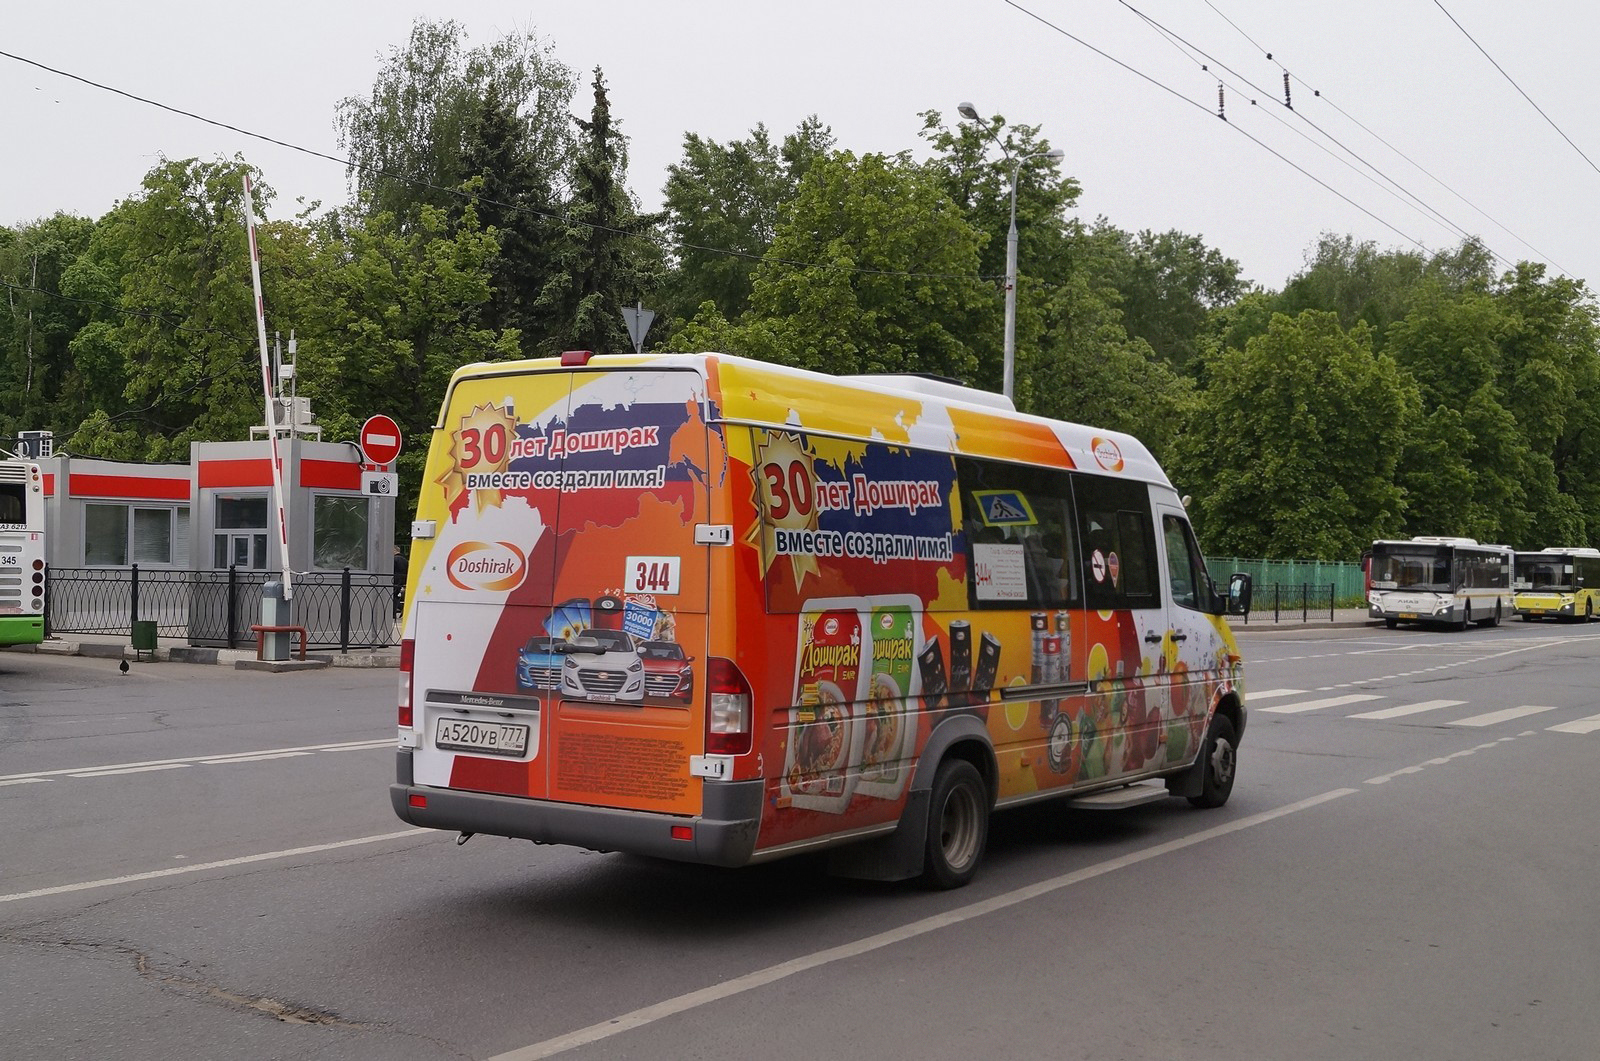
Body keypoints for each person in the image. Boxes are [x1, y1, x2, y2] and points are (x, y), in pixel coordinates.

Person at [393, 545, 406, 617]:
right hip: (402, 580)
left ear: (394, 550)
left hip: (395, 580)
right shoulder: (405, 560)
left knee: (393, 596)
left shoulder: (394, 559)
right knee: (396, 595)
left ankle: (400, 608)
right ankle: (401, 608)